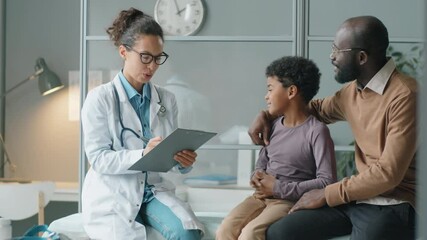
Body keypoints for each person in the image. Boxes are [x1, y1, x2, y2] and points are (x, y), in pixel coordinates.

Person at [248, 16, 417, 240]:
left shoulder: (406, 95)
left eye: (337, 50)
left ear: (362, 57)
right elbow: (311, 110)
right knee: (281, 232)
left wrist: (326, 194)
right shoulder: (351, 92)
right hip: (356, 199)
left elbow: (388, 174)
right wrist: (266, 115)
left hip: (397, 203)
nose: (332, 57)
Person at [81, 8, 204, 240]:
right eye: (145, 57)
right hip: (114, 193)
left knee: (189, 233)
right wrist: (142, 154)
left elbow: (169, 154)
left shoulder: (167, 99)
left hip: (153, 192)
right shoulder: (100, 99)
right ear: (123, 52)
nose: (153, 65)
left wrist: (183, 162)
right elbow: (98, 158)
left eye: (158, 58)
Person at [216, 56, 337, 240]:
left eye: (270, 89)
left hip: (287, 200)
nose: (266, 96)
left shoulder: (317, 131)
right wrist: (256, 175)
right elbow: (262, 163)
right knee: (225, 228)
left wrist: (279, 188)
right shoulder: (271, 126)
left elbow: (326, 181)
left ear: (291, 92)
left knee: (250, 234)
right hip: (260, 197)